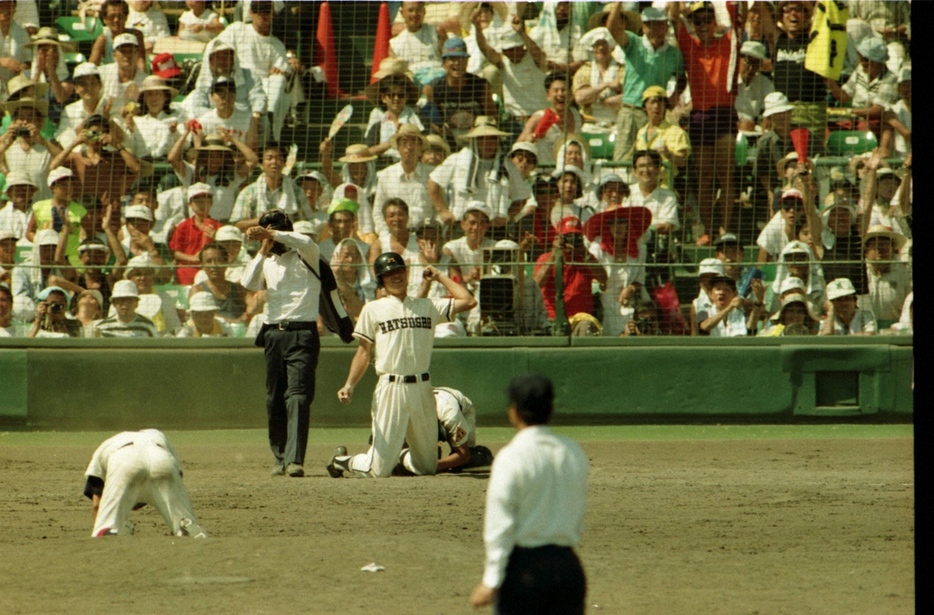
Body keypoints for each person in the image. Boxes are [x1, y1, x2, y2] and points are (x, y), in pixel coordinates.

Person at [328, 252, 477, 478]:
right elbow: (363, 352)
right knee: (378, 470)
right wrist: (349, 385)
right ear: (381, 281)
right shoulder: (373, 309)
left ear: (407, 275)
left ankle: (399, 456)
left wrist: (438, 276)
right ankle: (342, 461)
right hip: (391, 387)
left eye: (399, 272)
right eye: (389, 274)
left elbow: (469, 301)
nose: (396, 277)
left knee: (427, 466)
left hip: (422, 389)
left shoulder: (427, 306)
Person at [469, 373, 588, 612]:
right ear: (551, 409)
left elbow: (499, 525)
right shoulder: (573, 453)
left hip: (524, 572)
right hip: (569, 569)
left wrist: (491, 580)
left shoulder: (510, 457)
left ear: (513, 412)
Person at [241, 209, 323, 478]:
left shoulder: (306, 254)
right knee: (274, 398)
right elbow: (248, 282)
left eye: (277, 230)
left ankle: (294, 459)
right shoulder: (268, 261)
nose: (273, 235)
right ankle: (279, 456)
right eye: (268, 230)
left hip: (303, 332)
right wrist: (262, 249)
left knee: (298, 396)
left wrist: (271, 232)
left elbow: (307, 242)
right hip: (274, 334)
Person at [83, 429, 207, 538]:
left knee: (105, 531)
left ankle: (111, 531)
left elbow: (96, 505)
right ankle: (186, 530)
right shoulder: (157, 435)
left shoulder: (104, 448)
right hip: (161, 456)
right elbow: (178, 478)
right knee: (184, 524)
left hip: (123, 460)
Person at [607, 4, 686, 162]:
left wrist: (673, 98)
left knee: (651, 163)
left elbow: (682, 78)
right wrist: (619, 3)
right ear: (643, 27)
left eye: (660, 25)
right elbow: (611, 27)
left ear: (666, 27)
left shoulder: (674, 54)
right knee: (622, 161)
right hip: (630, 111)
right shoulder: (633, 43)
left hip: (654, 115)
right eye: (651, 25)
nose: (656, 30)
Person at [428, 116, 529, 227]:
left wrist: (507, 217)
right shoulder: (457, 160)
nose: (488, 143)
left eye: (492, 138)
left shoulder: (507, 166)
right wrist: (442, 210)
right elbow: (433, 182)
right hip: (461, 225)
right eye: (482, 138)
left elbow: (521, 197)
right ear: (474, 140)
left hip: (493, 228)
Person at [215, 0, 291, 141]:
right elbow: (216, 47)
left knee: (281, 86)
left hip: (262, 87)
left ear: (272, 14)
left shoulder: (277, 44)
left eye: (266, 11)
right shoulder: (237, 29)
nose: (261, 15)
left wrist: (279, 71)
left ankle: (267, 118)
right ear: (250, 13)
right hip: (235, 81)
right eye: (257, 11)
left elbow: (283, 70)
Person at [423, 36, 496, 149]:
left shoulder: (481, 86)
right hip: (449, 138)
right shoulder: (433, 88)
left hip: (477, 136)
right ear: (443, 63)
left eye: (461, 59)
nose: (457, 63)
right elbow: (434, 118)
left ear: (467, 61)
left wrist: (480, 129)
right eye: (452, 59)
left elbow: (492, 117)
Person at [533, 216, 607, 325]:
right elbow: (537, 284)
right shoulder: (545, 258)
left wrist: (584, 254)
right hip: (553, 318)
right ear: (557, 238)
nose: (571, 241)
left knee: (586, 326)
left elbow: (603, 279)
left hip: (582, 318)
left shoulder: (586, 259)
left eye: (576, 237)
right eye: (567, 237)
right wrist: (554, 254)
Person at [373, 124, 435, 237]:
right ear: (398, 147)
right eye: (404, 142)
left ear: (420, 147)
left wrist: (434, 233)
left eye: (414, 142)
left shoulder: (433, 175)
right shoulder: (385, 175)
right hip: (394, 237)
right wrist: (386, 237)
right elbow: (378, 212)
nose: (409, 147)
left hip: (425, 236)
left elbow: (441, 210)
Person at [363, 58, 425, 165]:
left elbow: (427, 145)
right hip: (384, 165)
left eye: (401, 95)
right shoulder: (378, 121)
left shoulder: (418, 117)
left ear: (407, 96)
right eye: (391, 95)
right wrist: (392, 141)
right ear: (383, 98)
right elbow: (368, 151)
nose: (396, 98)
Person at [517, 72, 582, 167]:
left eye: (564, 90)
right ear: (548, 95)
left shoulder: (578, 117)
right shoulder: (538, 118)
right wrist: (528, 139)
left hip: (570, 173)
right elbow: (518, 147)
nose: (560, 94)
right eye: (556, 90)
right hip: (544, 172)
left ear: (571, 94)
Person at [169, 182, 221, 285]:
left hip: (211, 271)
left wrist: (217, 237)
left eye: (206, 201)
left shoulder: (218, 226)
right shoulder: (183, 226)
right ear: (190, 204)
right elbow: (176, 252)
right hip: (187, 271)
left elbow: (227, 251)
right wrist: (192, 258)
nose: (202, 205)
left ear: (211, 203)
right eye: (198, 202)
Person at [433, 386, 494, 473]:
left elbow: (464, 455)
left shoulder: (451, 415)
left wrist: (437, 466)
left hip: (464, 413)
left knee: (460, 461)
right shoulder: (414, 408)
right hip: (442, 410)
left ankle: (483, 455)